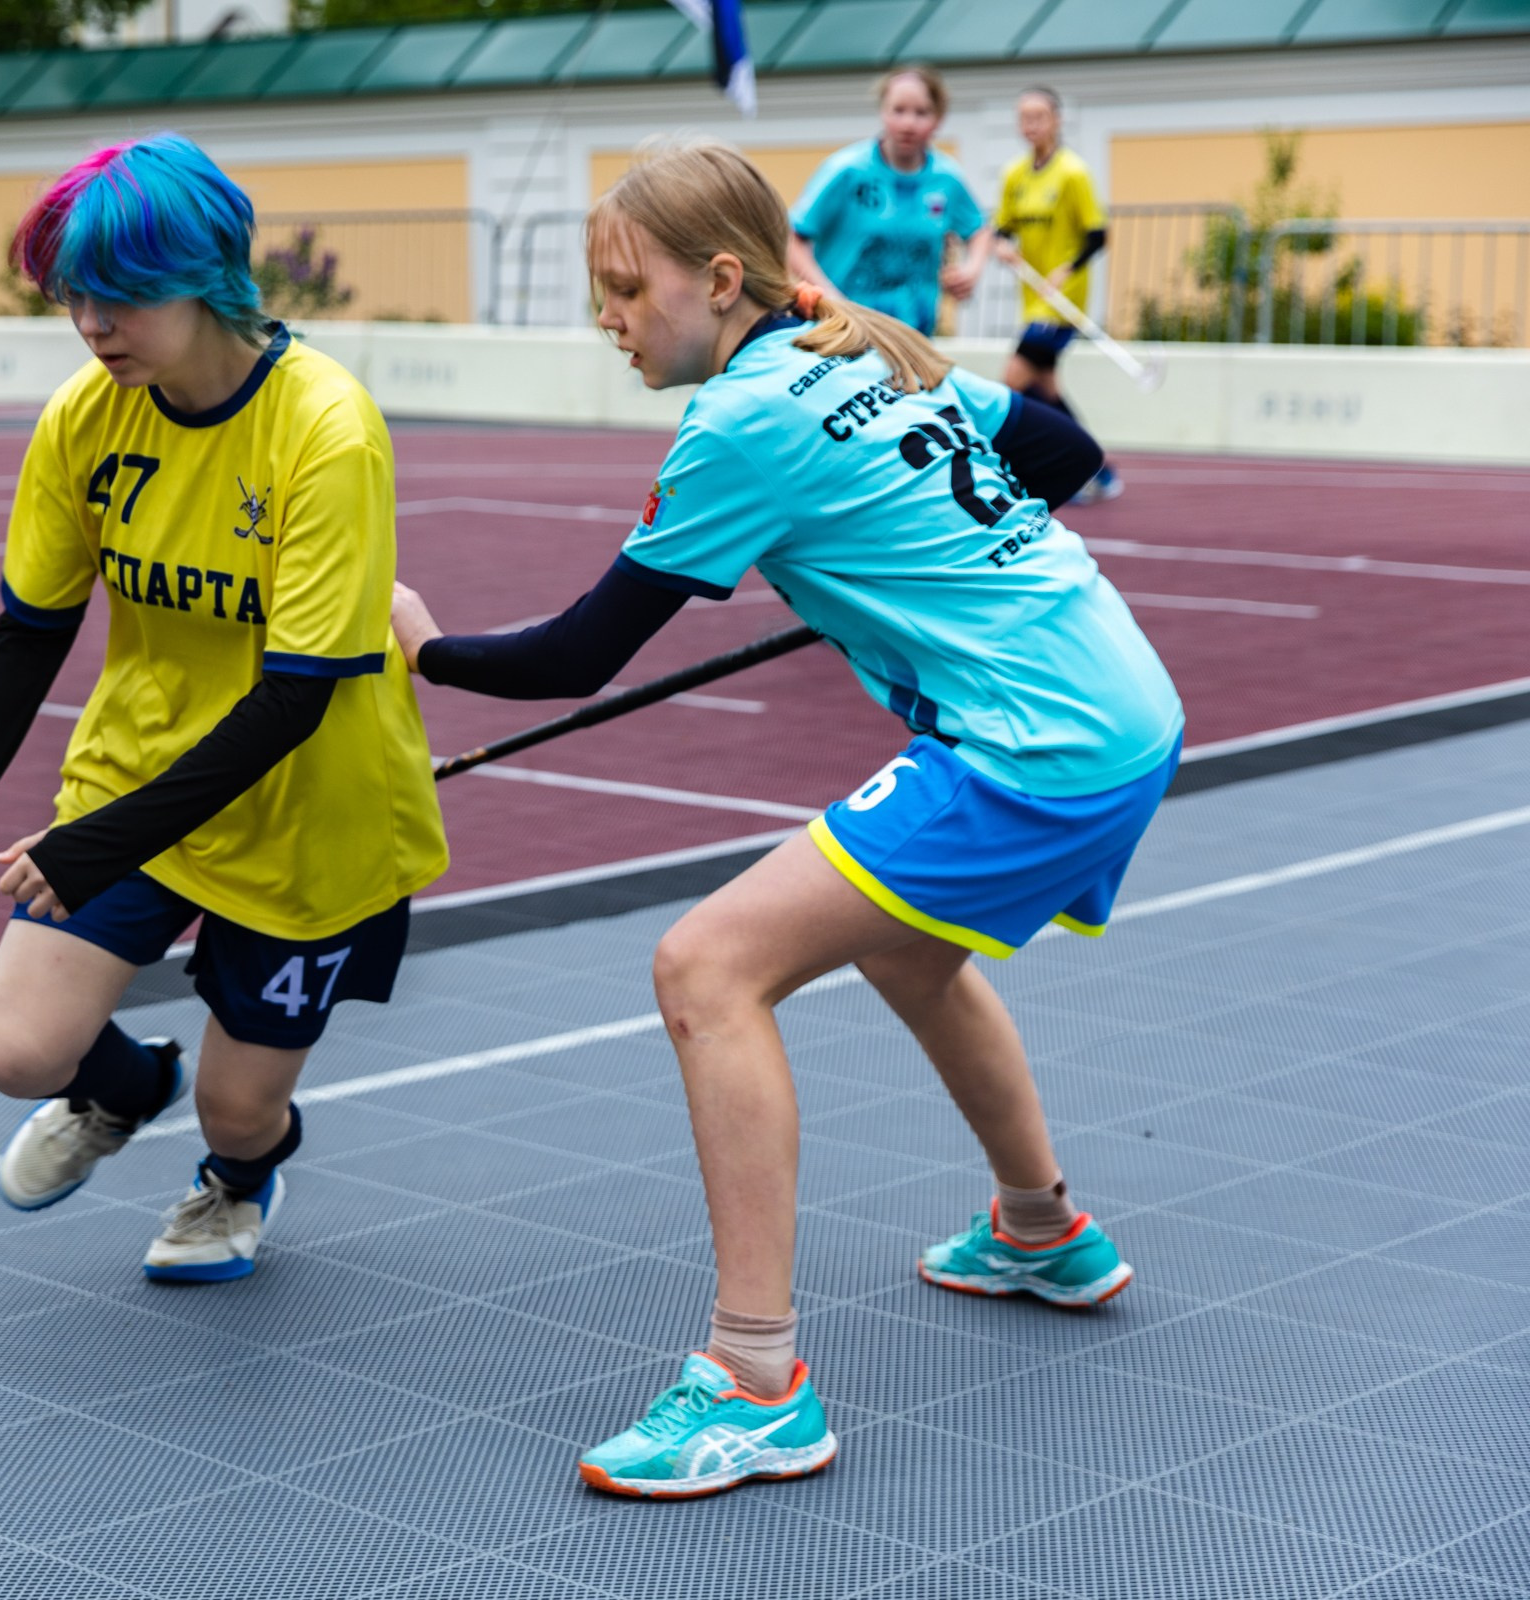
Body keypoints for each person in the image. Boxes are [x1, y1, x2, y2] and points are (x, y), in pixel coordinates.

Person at [391, 139, 1182, 1500]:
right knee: (905, 946)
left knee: (707, 967)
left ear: (718, 277)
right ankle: (1043, 1231)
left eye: (625, 290)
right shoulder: (870, 356)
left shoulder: (739, 423)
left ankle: (758, 1385)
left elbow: (580, 655)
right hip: (1124, 706)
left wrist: (427, 654)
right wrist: (916, 539)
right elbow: (1064, 449)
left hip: (1035, 744)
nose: (609, 320)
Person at [0, 133, 447, 1284]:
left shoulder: (327, 429)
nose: (90, 323)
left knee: (240, 1111)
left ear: (209, 274)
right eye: (74, 295)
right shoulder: (86, 418)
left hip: (305, 810)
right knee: (23, 1052)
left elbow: (293, 700)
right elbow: (29, 633)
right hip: (142, 768)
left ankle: (236, 1176)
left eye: (119, 295)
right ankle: (129, 1085)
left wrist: (92, 844)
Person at [788, 64, 990, 336]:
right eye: (899, 110)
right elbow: (792, 237)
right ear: (883, 112)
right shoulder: (847, 171)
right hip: (845, 333)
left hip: (914, 335)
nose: (908, 124)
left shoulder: (946, 179)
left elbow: (979, 229)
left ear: (938, 119)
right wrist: (829, 296)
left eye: (921, 113)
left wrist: (972, 269)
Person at [995, 86, 1121, 502]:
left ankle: (1017, 471)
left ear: (1056, 120)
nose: (1030, 125)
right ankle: (1098, 470)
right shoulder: (1015, 174)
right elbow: (1003, 227)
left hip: (1064, 302)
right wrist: (1001, 244)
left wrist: (1067, 267)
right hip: (1031, 299)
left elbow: (1098, 233)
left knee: (1013, 382)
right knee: (1046, 391)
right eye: (1024, 117)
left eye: (1039, 116)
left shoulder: (1072, 173)